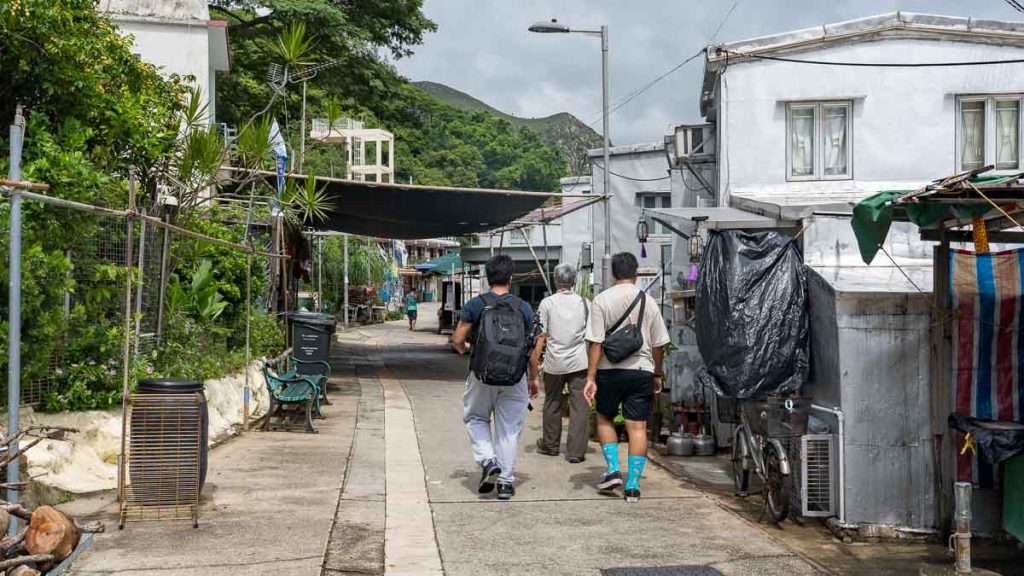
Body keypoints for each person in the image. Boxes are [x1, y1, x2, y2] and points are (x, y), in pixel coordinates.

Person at [583, 252, 670, 503]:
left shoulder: (601, 300)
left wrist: (591, 377)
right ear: (636, 273)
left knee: (604, 418)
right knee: (638, 427)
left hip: (609, 371)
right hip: (641, 370)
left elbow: (596, 343)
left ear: (613, 273)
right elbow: (659, 344)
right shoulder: (649, 301)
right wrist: (657, 373)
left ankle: (612, 471)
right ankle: (632, 486)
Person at [452, 255, 539, 500]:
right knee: (509, 429)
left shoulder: (476, 304)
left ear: (487, 277)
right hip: (515, 377)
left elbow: (458, 340)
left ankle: (488, 460)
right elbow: (535, 345)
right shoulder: (523, 307)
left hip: (481, 376)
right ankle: (505, 483)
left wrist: (471, 353)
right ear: (510, 278)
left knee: (476, 418)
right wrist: (533, 378)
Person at [530, 262, 589, 463]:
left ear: (556, 281)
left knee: (552, 401)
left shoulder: (547, 303)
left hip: (554, 362)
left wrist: (535, 362)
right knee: (580, 405)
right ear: (574, 281)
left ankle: (551, 445)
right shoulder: (585, 303)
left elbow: (541, 335)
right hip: (579, 362)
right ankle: (576, 452)